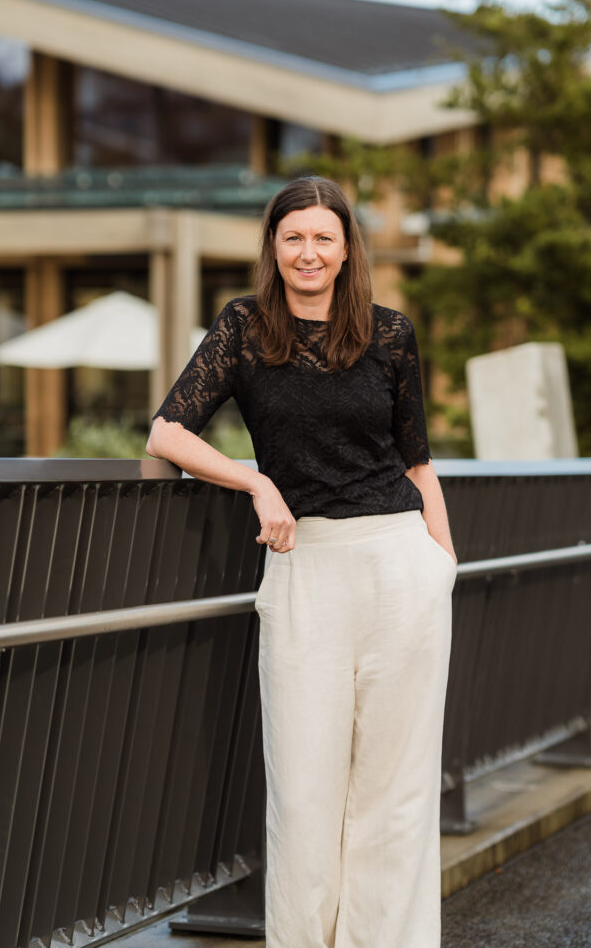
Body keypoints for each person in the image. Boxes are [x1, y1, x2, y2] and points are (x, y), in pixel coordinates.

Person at [146, 175, 457, 948]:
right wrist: (256, 482)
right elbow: (166, 434)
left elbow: (416, 464)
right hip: (305, 571)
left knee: (395, 792)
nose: (308, 252)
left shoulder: (389, 335)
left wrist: (441, 563)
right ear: (273, 248)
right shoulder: (246, 330)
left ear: (347, 248)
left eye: (323, 237)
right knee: (305, 792)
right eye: (293, 238)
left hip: (398, 566)